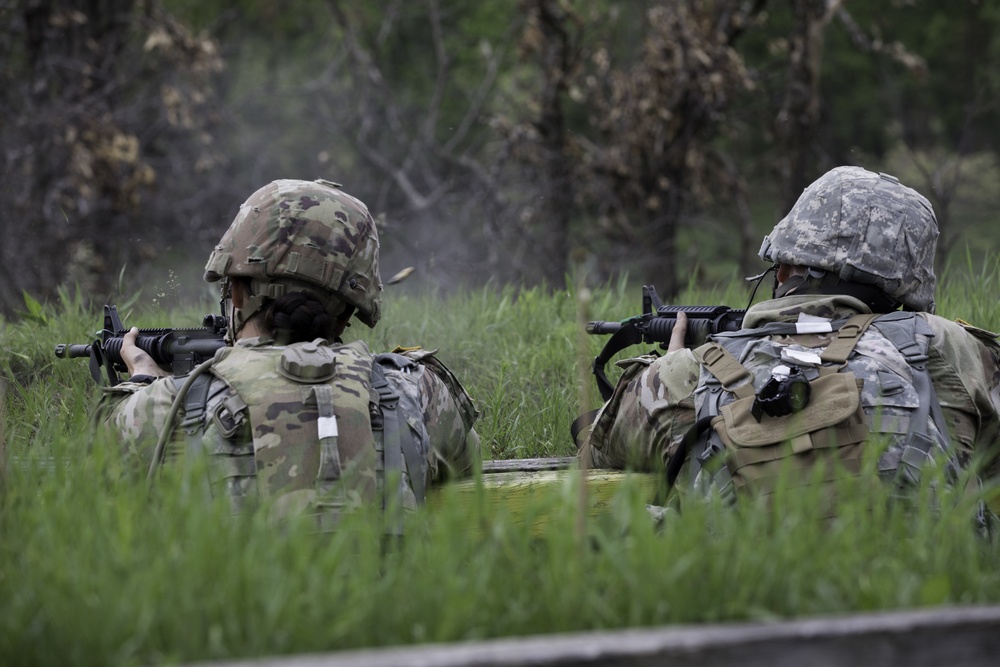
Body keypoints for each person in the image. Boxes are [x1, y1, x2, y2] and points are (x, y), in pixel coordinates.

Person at [583, 166, 1000, 511]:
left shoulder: (678, 375)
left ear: (784, 271)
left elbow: (593, 453)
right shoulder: (948, 347)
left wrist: (663, 369)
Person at [99, 178, 481, 528]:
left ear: (234, 291)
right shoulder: (418, 392)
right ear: (350, 310)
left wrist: (144, 380)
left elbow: (95, 473)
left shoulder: (166, 408)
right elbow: (468, 467)